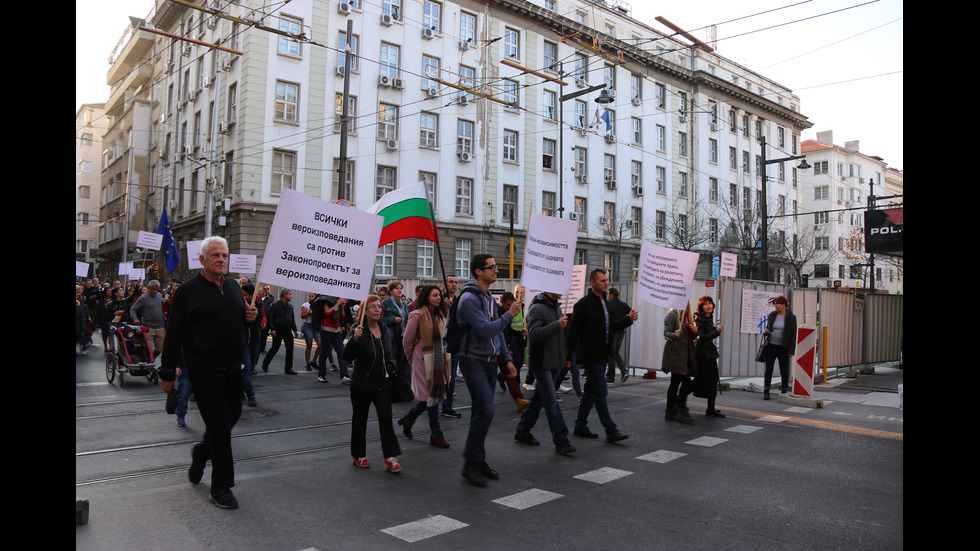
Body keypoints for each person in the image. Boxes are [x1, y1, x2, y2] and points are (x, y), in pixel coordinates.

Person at [159, 236, 258, 509]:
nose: (221, 259)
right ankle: (221, 487)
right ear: (202, 260)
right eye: (215, 255)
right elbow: (174, 334)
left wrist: (252, 318)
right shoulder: (188, 291)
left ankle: (202, 452)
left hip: (232, 368)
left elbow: (243, 327)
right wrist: (167, 373)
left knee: (230, 418)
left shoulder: (234, 288)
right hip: (203, 370)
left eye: (224, 255)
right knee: (220, 427)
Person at [455, 254, 522, 486]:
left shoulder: (488, 298)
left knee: (480, 411)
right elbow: (485, 330)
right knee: (486, 410)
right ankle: (469, 463)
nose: (496, 270)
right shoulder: (469, 300)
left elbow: (498, 333)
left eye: (495, 267)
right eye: (491, 267)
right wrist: (509, 315)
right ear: (478, 272)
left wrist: (506, 358)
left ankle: (477, 460)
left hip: (490, 361)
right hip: (472, 360)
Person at [567, 269, 636, 443]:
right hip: (590, 355)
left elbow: (611, 326)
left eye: (606, 280)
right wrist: (569, 356)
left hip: (602, 354)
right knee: (601, 390)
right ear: (592, 283)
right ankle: (611, 430)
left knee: (591, 391)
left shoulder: (606, 303)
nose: (606, 283)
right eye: (602, 281)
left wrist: (628, 319)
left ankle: (580, 424)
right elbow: (573, 331)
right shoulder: (583, 304)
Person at [342, 294, 402, 473]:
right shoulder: (358, 328)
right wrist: (355, 339)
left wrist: (391, 365)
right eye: (373, 307)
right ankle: (358, 454)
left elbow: (389, 352)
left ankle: (390, 457)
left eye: (379, 307)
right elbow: (347, 357)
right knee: (360, 420)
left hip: (383, 382)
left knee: (386, 419)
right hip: (362, 383)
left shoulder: (383, 327)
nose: (378, 310)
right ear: (365, 312)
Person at [514, 291, 576, 456]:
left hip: (554, 362)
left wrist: (565, 358)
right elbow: (533, 335)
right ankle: (561, 440)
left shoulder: (556, 307)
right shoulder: (537, 308)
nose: (563, 290)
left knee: (539, 399)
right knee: (551, 400)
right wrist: (557, 325)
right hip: (541, 363)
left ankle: (522, 430)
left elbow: (560, 337)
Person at [398, 285, 451, 449]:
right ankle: (436, 432)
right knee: (432, 395)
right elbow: (407, 340)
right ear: (426, 297)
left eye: (440, 295)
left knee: (432, 395)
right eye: (435, 295)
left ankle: (409, 419)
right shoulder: (416, 315)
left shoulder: (442, 314)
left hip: (438, 356)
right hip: (422, 357)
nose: (438, 298)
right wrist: (411, 358)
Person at [662, 305, 697, 424]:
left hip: (685, 355)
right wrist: (674, 335)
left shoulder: (687, 317)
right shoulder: (672, 315)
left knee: (675, 383)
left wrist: (694, 332)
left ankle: (671, 411)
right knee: (686, 382)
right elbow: (666, 333)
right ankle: (681, 409)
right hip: (676, 356)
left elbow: (689, 338)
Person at [495, 292, 530, 411]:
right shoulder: (496, 312)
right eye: (507, 305)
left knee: (510, 372)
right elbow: (498, 330)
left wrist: (518, 334)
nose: (509, 308)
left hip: (503, 346)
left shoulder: (507, 313)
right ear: (501, 302)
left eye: (511, 305)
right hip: (495, 347)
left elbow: (508, 330)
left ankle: (519, 398)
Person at [692, 295, 726, 417]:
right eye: (705, 304)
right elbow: (700, 337)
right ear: (701, 307)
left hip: (709, 354)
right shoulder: (698, 319)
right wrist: (716, 332)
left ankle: (710, 409)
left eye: (710, 303)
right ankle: (678, 402)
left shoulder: (708, 318)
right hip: (702, 354)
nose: (708, 306)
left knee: (712, 381)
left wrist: (715, 331)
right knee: (699, 381)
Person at [762, 295, 798, 400]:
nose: (776, 306)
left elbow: (793, 334)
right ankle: (766, 390)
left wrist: (791, 350)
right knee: (768, 369)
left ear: (783, 305)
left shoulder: (791, 317)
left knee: (784, 370)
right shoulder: (772, 315)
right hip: (771, 346)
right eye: (775, 304)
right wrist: (766, 331)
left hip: (783, 347)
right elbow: (769, 328)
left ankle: (784, 391)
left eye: (777, 304)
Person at [440, 275, 463, 418]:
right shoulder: (439, 299)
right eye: (451, 282)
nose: (454, 285)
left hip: (454, 344)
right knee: (439, 377)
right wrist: (444, 306)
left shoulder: (459, 301)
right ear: (445, 283)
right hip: (441, 343)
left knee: (451, 376)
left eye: (456, 282)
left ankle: (447, 406)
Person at [261, 289, 298, 375]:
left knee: (290, 349)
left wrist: (295, 330)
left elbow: (292, 319)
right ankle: (265, 363)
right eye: (290, 294)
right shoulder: (275, 305)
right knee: (275, 348)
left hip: (288, 330)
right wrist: (272, 329)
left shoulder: (290, 306)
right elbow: (270, 318)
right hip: (278, 330)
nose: (291, 296)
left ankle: (288, 368)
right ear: (285, 295)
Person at [316, 295, 350, 383]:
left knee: (341, 353)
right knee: (324, 352)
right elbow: (327, 312)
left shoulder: (338, 300)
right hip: (327, 330)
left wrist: (341, 308)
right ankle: (321, 375)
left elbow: (341, 317)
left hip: (337, 330)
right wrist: (337, 304)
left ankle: (344, 375)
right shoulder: (326, 300)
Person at [130, 279, 166, 359]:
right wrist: (135, 319)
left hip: (160, 326)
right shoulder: (143, 298)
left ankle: (151, 359)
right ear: (148, 288)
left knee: (160, 349)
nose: (155, 291)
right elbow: (133, 309)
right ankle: (150, 362)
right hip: (148, 327)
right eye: (153, 289)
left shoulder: (159, 295)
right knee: (148, 349)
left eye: (157, 289)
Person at [240, 284, 263, 407]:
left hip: (254, 341)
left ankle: (243, 388)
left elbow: (258, 317)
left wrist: (248, 306)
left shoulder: (257, 305)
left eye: (244, 295)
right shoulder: (237, 305)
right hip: (243, 343)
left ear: (250, 296)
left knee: (251, 368)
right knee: (246, 369)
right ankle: (251, 395)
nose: (241, 297)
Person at [382, 280, 410, 379]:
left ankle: (401, 379)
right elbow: (379, 319)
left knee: (401, 358)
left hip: (402, 335)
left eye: (400, 289)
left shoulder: (404, 304)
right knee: (392, 357)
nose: (399, 290)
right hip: (391, 336)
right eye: (396, 288)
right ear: (390, 291)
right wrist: (392, 319)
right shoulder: (385, 303)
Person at [605, 288, 632, 384]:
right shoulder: (623, 304)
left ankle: (610, 377)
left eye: (608, 294)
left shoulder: (608, 304)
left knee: (611, 354)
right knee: (615, 352)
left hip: (613, 332)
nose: (608, 296)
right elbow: (631, 312)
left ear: (612, 294)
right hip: (621, 332)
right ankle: (624, 371)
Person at [300, 292, 323, 372]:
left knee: (320, 345)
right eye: (309, 296)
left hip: (316, 326)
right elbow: (302, 316)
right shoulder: (305, 305)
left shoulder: (318, 305)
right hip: (308, 325)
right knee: (309, 345)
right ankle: (307, 363)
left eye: (312, 296)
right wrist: (309, 312)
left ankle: (314, 361)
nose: (311, 297)